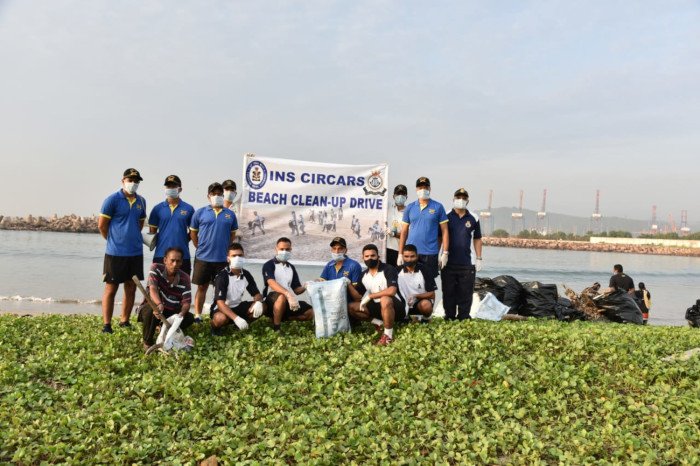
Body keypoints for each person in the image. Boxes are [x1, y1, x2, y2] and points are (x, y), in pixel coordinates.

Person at [98, 168, 147, 333]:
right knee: (111, 288)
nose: (133, 183)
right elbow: (102, 225)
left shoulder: (141, 201)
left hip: (135, 252)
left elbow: (139, 224)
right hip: (115, 253)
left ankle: (124, 320)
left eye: (136, 181)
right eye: (130, 180)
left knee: (131, 287)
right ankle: (107, 324)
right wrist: (113, 240)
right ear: (123, 181)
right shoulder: (111, 200)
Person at [190, 182, 239, 322]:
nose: (217, 196)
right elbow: (193, 233)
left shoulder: (230, 214)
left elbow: (232, 235)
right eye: (214, 194)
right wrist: (198, 246)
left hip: (221, 259)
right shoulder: (200, 212)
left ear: (223, 196)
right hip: (203, 258)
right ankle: (198, 315)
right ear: (208, 196)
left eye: (219, 194)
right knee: (202, 287)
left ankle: (216, 314)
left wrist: (225, 248)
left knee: (220, 289)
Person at [348, 244, 405, 345]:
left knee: (385, 299)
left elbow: (392, 291)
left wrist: (370, 296)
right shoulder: (364, 275)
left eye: (372, 255)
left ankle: (388, 336)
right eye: (367, 256)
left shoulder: (388, 269)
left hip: (396, 308)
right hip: (377, 307)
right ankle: (380, 323)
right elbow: (358, 297)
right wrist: (348, 283)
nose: (370, 258)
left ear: (378, 256)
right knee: (351, 307)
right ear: (363, 258)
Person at [141, 247, 194, 350]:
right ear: (165, 260)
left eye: (178, 261)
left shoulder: (185, 278)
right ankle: (147, 343)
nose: (175, 264)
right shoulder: (155, 268)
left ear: (181, 262)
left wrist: (181, 314)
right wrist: (159, 304)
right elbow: (153, 288)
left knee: (189, 318)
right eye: (172, 260)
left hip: (172, 310)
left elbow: (186, 302)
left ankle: (162, 328)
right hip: (156, 307)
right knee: (152, 310)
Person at [442, 188, 483, 320]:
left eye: (464, 198)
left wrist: (479, 258)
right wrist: (440, 255)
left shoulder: (473, 217)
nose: (461, 200)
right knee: (448, 292)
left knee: (465, 293)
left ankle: (464, 317)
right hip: (448, 261)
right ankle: (449, 317)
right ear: (453, 199)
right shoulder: (446, 216)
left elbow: (477, 238)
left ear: (468, 200)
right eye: (458, 197)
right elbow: (439, 236)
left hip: (467, 263)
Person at [398, 176, 449, 280]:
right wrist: (400, 253)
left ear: (429, 189)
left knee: (428, 284)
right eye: (420, 188)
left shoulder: (438, 207)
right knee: (409, 282)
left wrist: (445, 252)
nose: (423, 190)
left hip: (430, 254)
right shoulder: (410, 207)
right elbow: (404, 232)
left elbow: (445, 231)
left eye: (425, 187)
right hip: (411, 253)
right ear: (416, 190)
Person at [210, 243, 265, 335]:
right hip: (222, 308)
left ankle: (240, 325)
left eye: (240, 255)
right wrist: (236, 318)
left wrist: (258, 302)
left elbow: (256, 294)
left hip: (238, 306)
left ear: (244, 257)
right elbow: (220, 303)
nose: (237, 258)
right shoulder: (222, 276)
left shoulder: (246, 274)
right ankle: (214, 327)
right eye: (234, 256)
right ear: (228, 258)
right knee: (220, 319)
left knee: (263, 307)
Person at [262, 237, 313, 332]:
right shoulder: (269, 265)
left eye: (287, 249)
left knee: (310, 313)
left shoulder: (291, 267)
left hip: (289, 300)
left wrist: (306, 286)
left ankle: (283, 318)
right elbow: (271, 283)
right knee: (281, 297)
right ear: (276, 249)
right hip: (271, 300)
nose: (284, 251)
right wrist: (288, 294)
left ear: (291, 250)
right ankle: (276, 328)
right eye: (281, 249)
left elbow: (296, 290)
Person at [148, 175, 195, 275]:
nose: (171, 189)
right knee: (157, 288)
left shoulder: (189, 209)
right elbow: (152, 232)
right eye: (168, 187)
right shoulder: (157, 209)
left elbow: (193, 232)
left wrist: (182, 239)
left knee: (182, 288)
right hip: (161, 255)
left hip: (183, 256)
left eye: (174, 186)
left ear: (180, 189)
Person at [397, 244, 437, 322]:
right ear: (402, 256)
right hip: (404, 303)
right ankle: (405, 317)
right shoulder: (397, 270)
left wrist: (415, 296)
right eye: (406, 256)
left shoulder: (425, 270)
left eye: (412, 256)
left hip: (420, 303)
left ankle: (426, 318)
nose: (409, 259)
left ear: (417, 256)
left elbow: (432, 293)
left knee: (426, 306)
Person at [385, 184, 408, 267]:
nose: (400, 196)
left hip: (399, 250)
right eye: (398, 194)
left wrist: (393, 234)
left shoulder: (408, 212)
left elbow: (407, 234)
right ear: (394, 196)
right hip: (385, 248)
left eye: (403, 194)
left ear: (406, 197)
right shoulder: (388, 207)